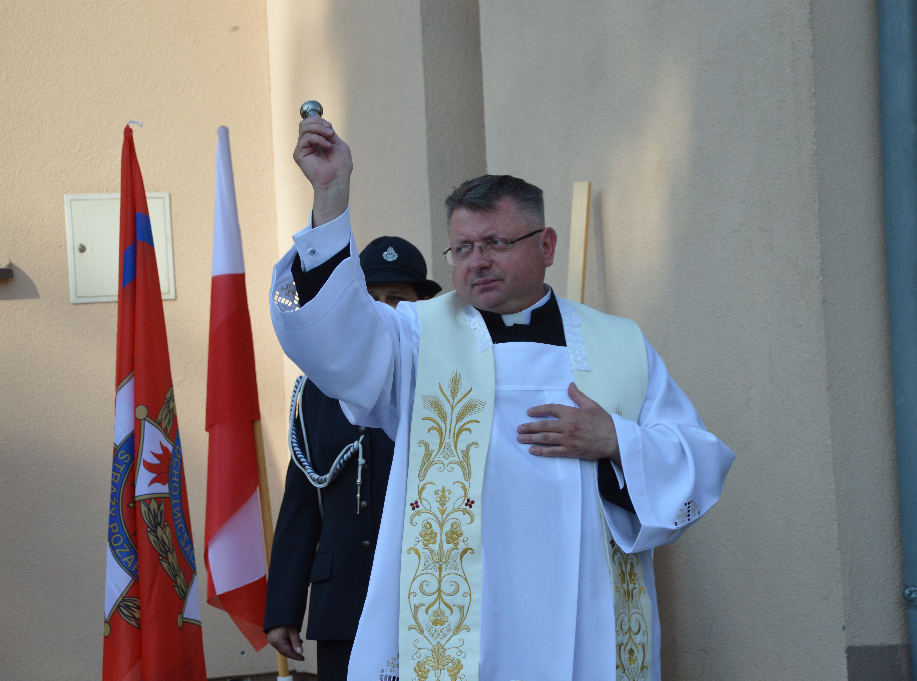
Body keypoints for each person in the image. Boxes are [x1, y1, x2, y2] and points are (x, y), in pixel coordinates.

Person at [268, 115, 735, 681]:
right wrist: (330, 196)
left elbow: (698, 457)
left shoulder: (619, 344)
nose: (477, 261)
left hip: (586, 617)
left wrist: (616, 441)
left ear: (547, 245)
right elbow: (332, 337)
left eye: (495, 243)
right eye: (462, 248)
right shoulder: (415, 336)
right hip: (461, 628)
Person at [264, 236, 441, 681]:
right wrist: (284, 605)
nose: (382, 309)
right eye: (370, 298)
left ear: (421, 307)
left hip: (425, 594)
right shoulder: (315, 390)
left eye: (397, 300)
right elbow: (302, 501)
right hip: (343, 598)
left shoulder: (445, 381)